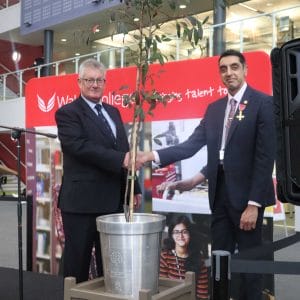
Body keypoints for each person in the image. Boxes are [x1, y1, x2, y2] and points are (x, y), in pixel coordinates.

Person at [137, 49, 276, 300]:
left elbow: (265, 158)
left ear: (245, 70)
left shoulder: (263, 103)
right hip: (220, 197)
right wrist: (155, 158)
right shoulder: (215, 109)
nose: (229, 73)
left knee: (250, 268)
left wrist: (254, 204)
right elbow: (193, 146)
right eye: (223, 69)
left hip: (247, 201)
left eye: (234, 67)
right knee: (219, 263)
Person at [55, 58, 141, 283]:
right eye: (89, 80)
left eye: (99, 80)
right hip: (81, 205)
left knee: (111, 267)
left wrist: (134, 187)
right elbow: (79, 147)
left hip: (111, 203)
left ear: (105, 82)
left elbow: (124, 149)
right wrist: (121, 158)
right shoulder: (68, 113)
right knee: (77, 268)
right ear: (79, 82)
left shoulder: (113, 112)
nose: (95, 84)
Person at [160, 215, 209, 300]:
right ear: (171, 235)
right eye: (176, 232)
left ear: (190, 234)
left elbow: (202, 296)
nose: (181, 236)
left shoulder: (198, 259)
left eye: (184, 232)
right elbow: (162, 289)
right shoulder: (165, 256)